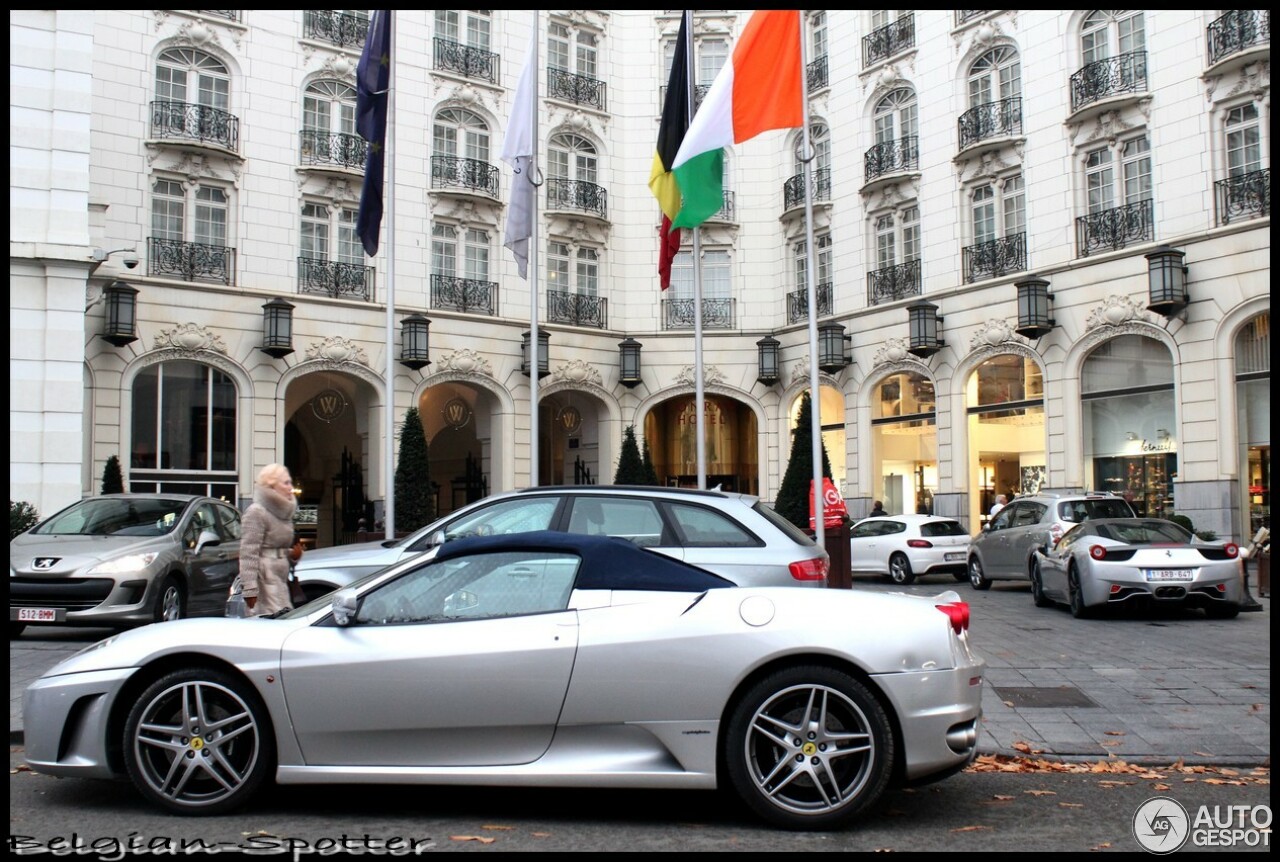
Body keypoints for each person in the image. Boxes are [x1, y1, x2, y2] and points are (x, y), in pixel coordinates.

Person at [240, 463, 297, 617]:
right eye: (286, 483)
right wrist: (250, 590)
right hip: (264, 578)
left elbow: (278, 547)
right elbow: (248, 553)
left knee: (283, 617)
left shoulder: (283, 512)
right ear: (272, 486)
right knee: (272, 619)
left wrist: (293, 555)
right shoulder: (257, 512)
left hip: (280, 577)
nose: (290, 487)